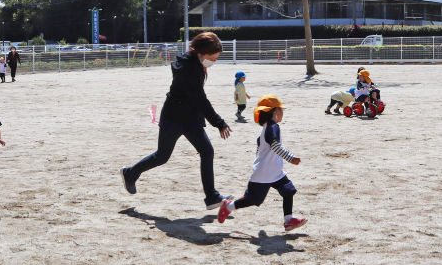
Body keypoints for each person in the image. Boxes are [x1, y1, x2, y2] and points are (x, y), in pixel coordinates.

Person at [120, 32, 233, 210]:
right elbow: (200, 99)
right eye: (213, 58)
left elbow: (198, 100)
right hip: (173, 117)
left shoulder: (195, 63)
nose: (214, 61)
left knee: (207, 152)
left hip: (191, 119)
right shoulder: (189, 67)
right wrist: (219, 122)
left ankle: (211, 197)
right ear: (202, 53)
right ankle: (130, 173)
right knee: (162, 156)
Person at [218, 95, 307, 232]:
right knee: (253, 199)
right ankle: (228, 206)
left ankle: (288, 221)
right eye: (281, 110)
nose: (282, 113)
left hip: (274, 172)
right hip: (264, 173)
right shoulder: (273, 127)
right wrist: (291, 158)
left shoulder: (266, 129)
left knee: (288, 191)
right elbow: (275, 146)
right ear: (274, 111)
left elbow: (259, 150)